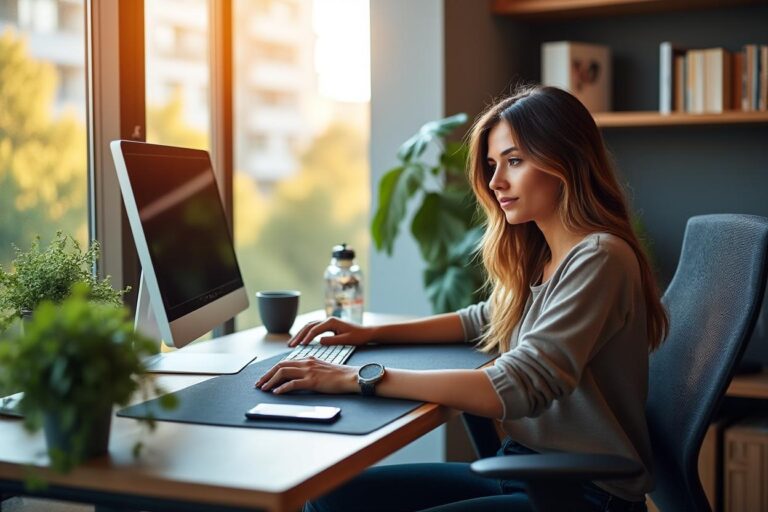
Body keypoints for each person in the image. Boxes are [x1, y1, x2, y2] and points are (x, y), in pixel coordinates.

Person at [255, 85, 668, 512]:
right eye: (492, 164)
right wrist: (370, 333)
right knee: (330, 502)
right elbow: (484, 318)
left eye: (514, 161)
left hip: (585, 493)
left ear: (566, 161)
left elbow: (520, 386)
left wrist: (355, 378)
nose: (495, 182)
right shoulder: (544, 254)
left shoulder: (599, 257)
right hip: (525, 468)